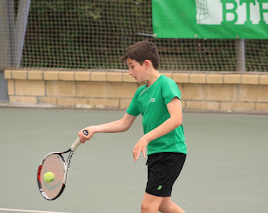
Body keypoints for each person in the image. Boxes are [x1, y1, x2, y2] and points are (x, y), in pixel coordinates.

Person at [78, 41, 187, 213]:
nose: (129, 72)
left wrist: (146, 138)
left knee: (148, 206)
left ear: (146, 64)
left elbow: (176, 119)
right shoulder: (140, 93)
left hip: (171, 152)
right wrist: (94, 128)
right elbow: (124, 123)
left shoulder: (166, 85)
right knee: (164, 205)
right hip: (155, 153)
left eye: (132, 66)